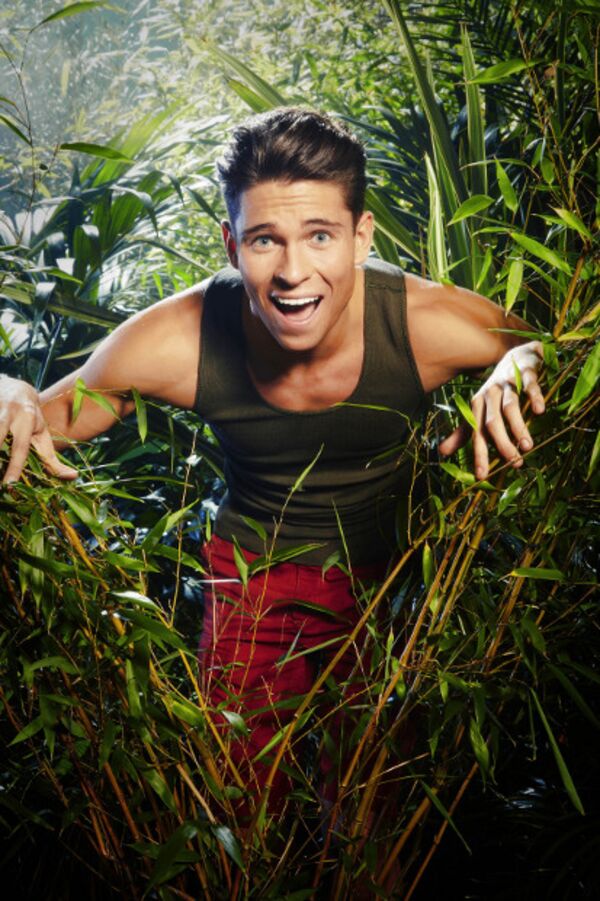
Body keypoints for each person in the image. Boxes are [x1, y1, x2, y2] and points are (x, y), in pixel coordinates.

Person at [0, 108, 545, 816]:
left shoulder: (422, 324)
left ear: (361, 236)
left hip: (389, 574)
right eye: (265, 240)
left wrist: (518, 362)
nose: (292, 272)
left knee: (376, 803)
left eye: (319, 235)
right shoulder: (178, 339)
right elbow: (38, 422)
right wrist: (9, 390)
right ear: (232, 245)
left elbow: (551, 346)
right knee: (237, 801)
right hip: (251, 575)